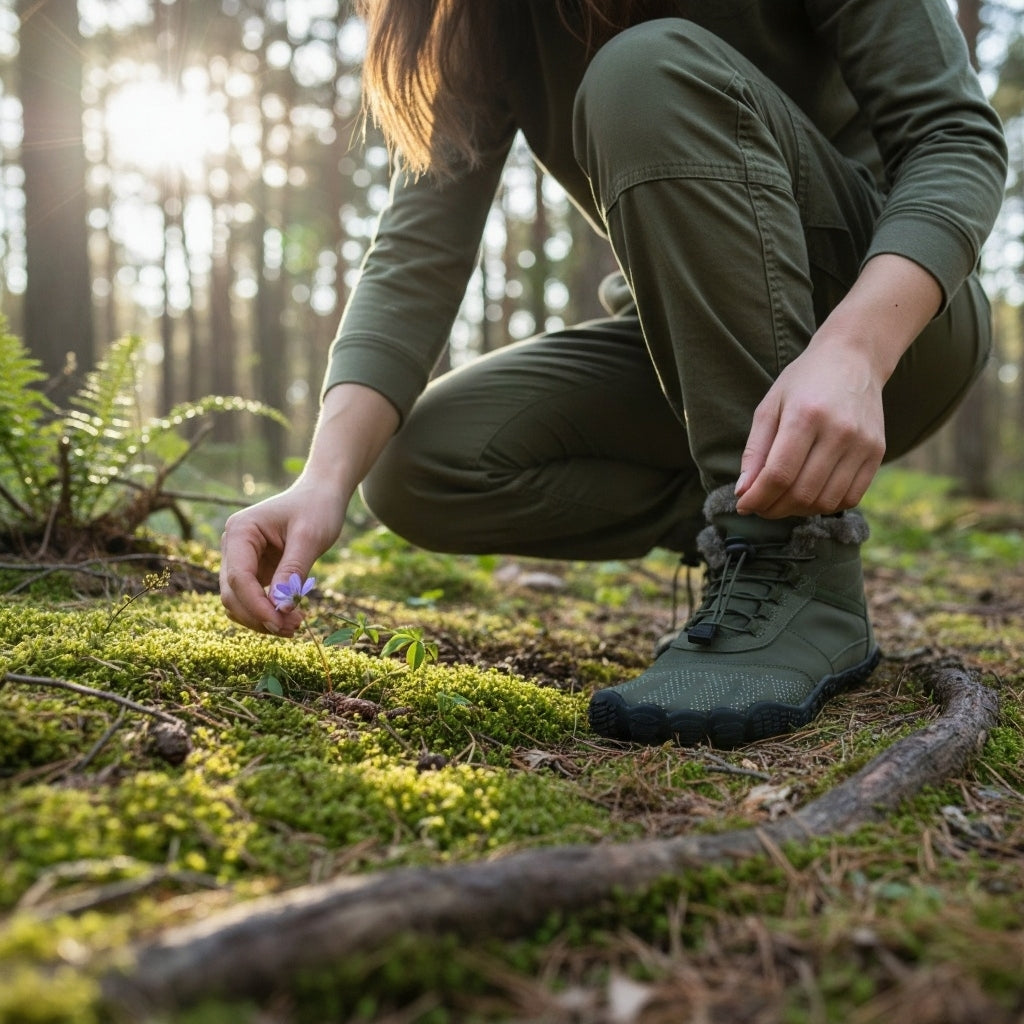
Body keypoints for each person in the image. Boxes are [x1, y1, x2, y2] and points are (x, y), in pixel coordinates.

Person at [220, 0, 1007, 748]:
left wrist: (856, 350)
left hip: (895, 324)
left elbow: (954, 138)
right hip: (694, 346)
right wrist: (322, 481)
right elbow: (416, 254)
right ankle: (739, 522)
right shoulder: (478, 20)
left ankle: (793, 560)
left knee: (642, 66)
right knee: (416, 466)